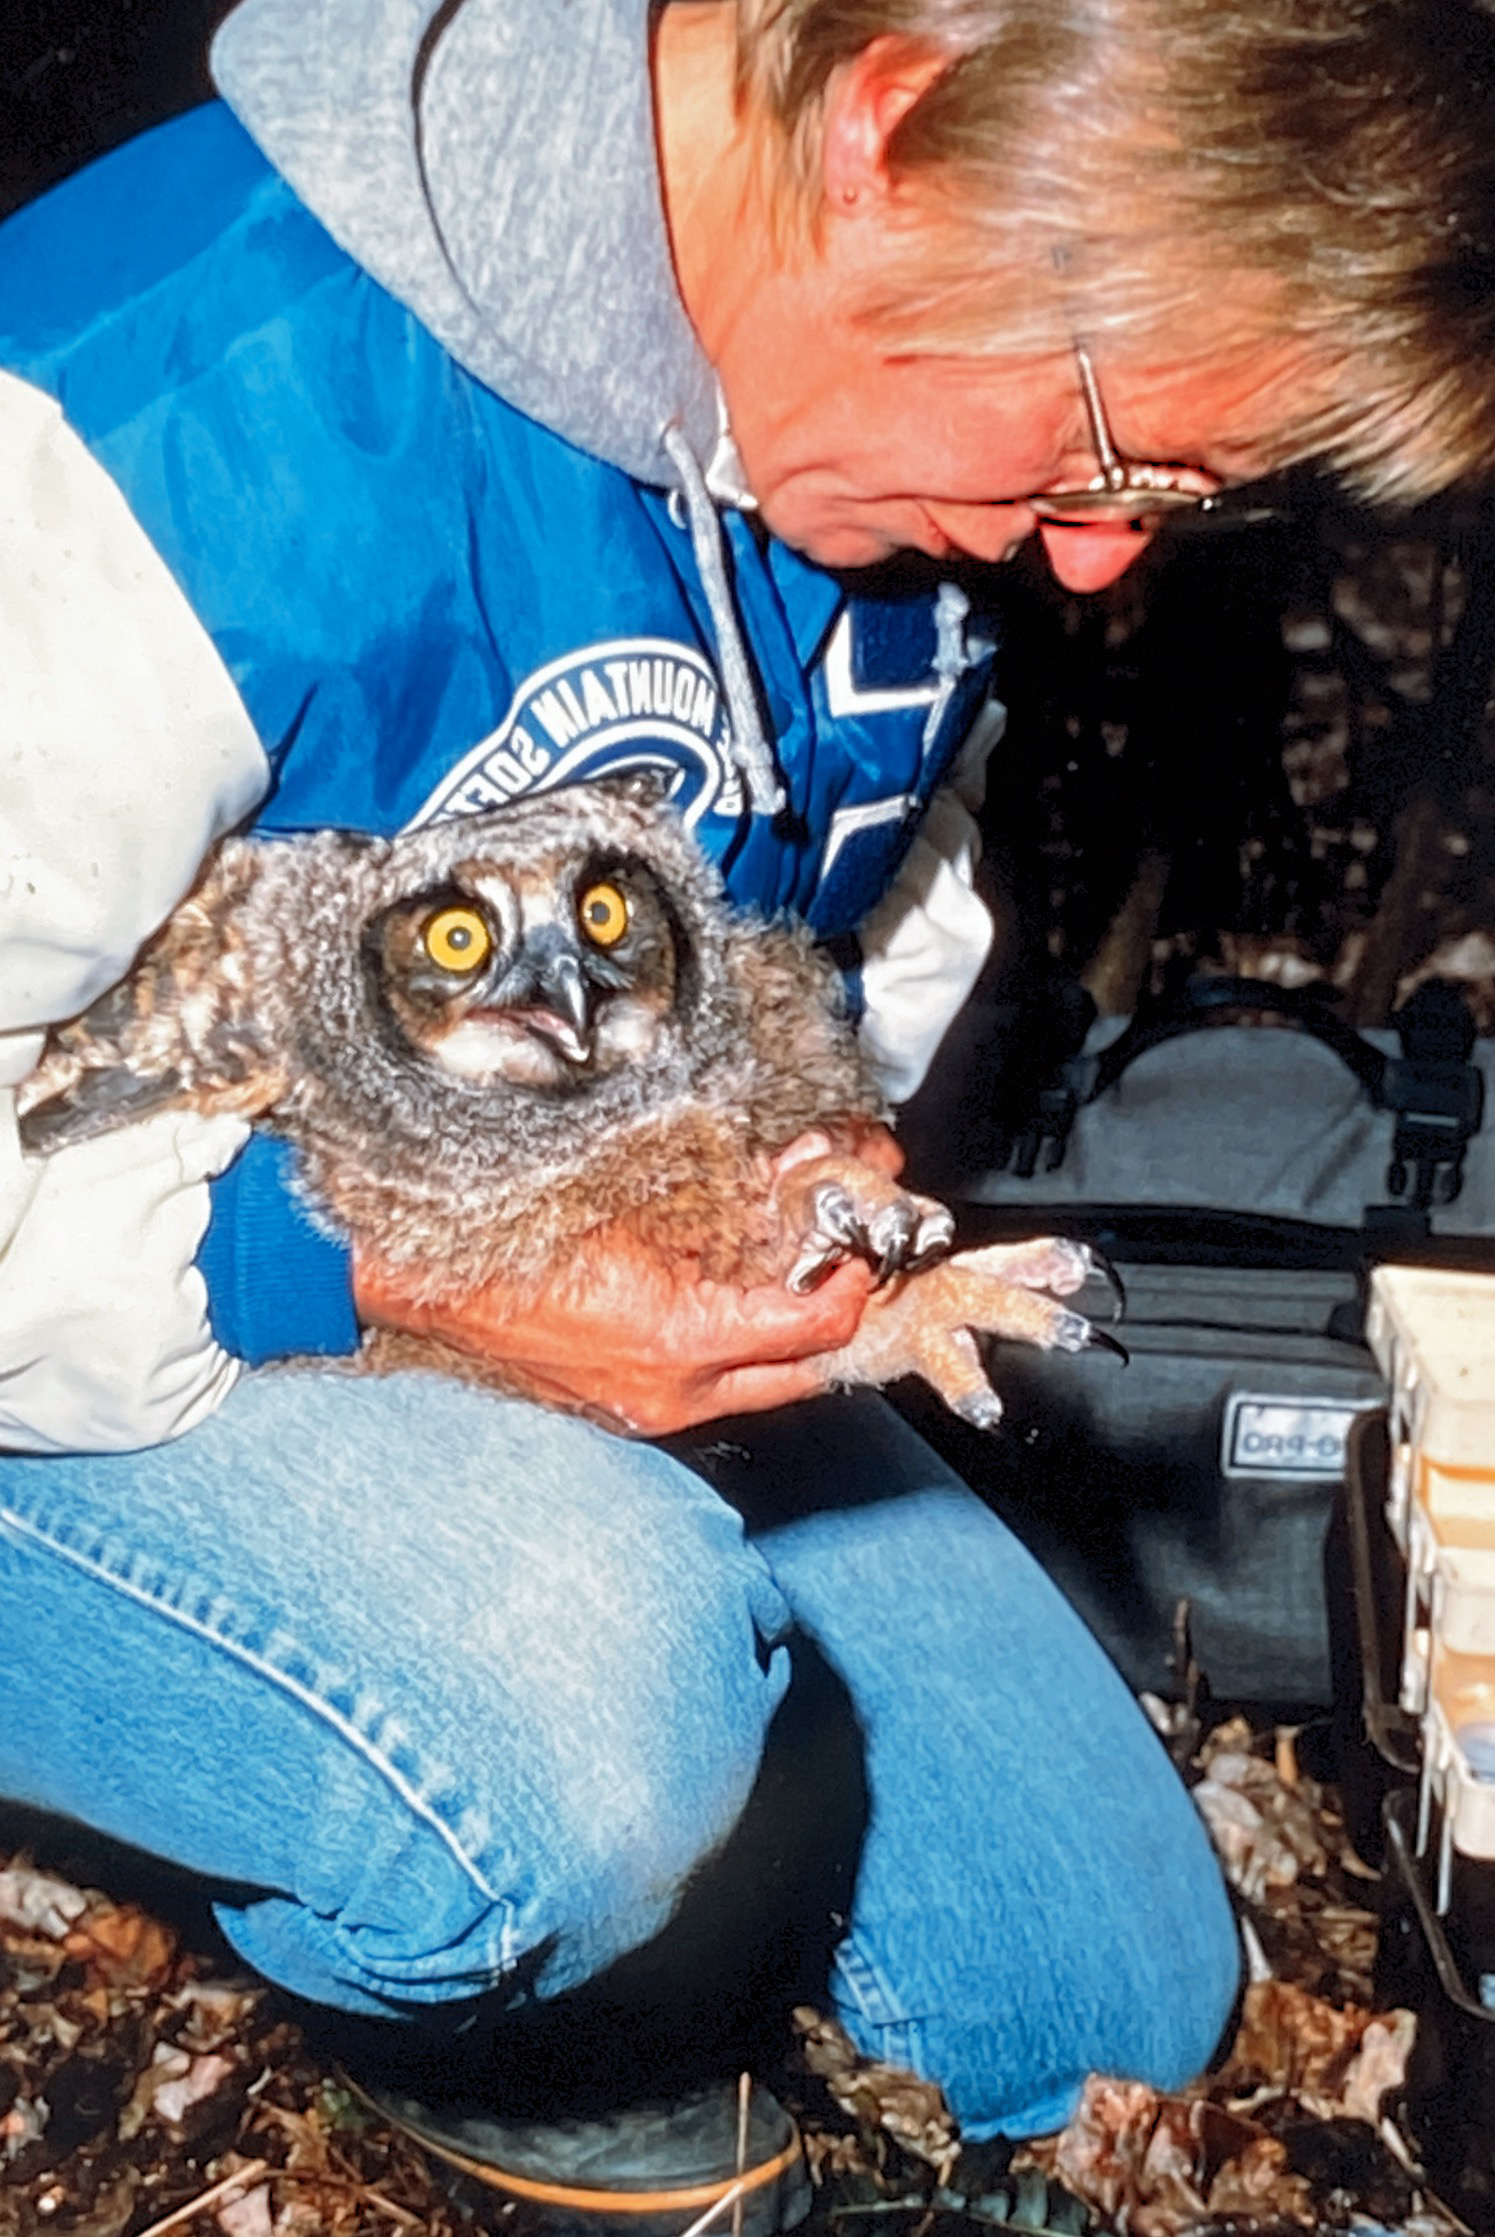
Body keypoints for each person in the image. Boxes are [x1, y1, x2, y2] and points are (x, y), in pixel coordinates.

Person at [2, 0, 1494, 2222]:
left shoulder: (881, 419)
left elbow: (878, 888)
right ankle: (489, 2024)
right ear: (891, 125)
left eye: (1174, 493)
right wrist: (379, 1275)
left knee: (1103, 2001)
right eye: (1101, 452)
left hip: (534, 1252)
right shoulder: (155, 432)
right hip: (113, 1326)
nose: (1095, 563)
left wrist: (808, 1162)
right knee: (571, 1729)